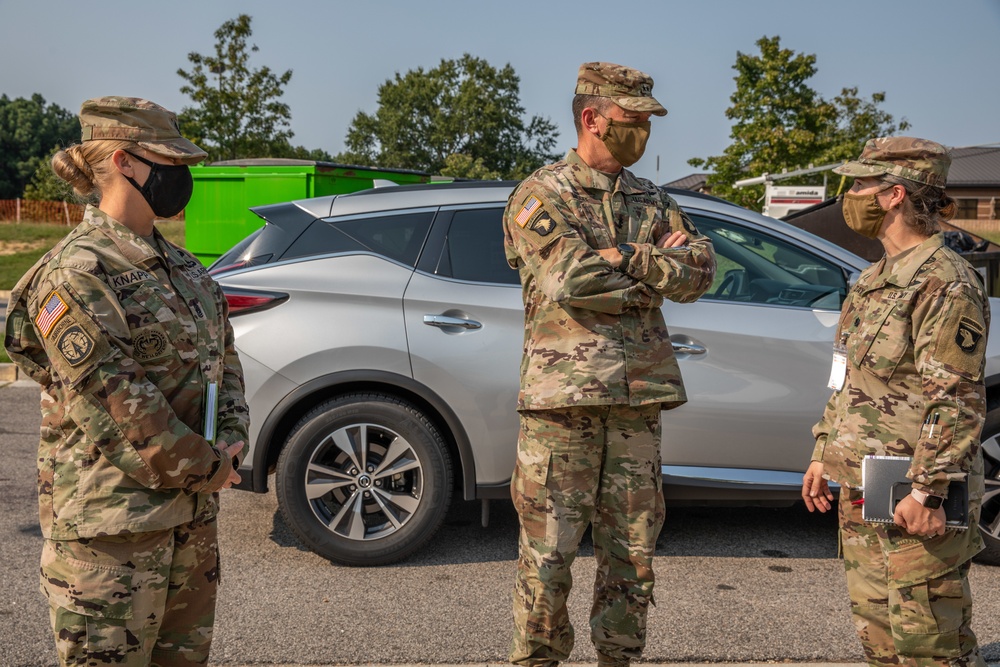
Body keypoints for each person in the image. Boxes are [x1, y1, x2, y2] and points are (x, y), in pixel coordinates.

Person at [3, 97, 250, 666]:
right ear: (124, 161)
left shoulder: (186, 270)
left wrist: (231, 438)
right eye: (169, 160)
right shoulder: (77, 274)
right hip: (111, 538)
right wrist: (210, 467)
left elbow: (224, 365)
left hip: (190, 523)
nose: (180, 175)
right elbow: (118, 405)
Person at [502, 62, 716, 667]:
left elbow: (700, 273)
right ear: (591, 118)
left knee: (633, 558)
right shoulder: (541, 194)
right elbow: (569, 278)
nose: (644, 133)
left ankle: (618, 660)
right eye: (633, 120)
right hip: (562, 409)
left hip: (636, 407)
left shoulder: (653, 199)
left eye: (649, 122)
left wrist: (624, 256)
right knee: (547, 562)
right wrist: (654, 272)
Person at [802, 137, 988, 667]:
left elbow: (955, 398)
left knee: (928, 645)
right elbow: (847, 378)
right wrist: (823, 452)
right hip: (864, 489)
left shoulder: (945, 283)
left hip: (914, 498)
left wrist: (928, 492)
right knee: (879, 640)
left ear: (894, 195)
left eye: (859, 183)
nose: (850, 195)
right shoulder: (872, 280)